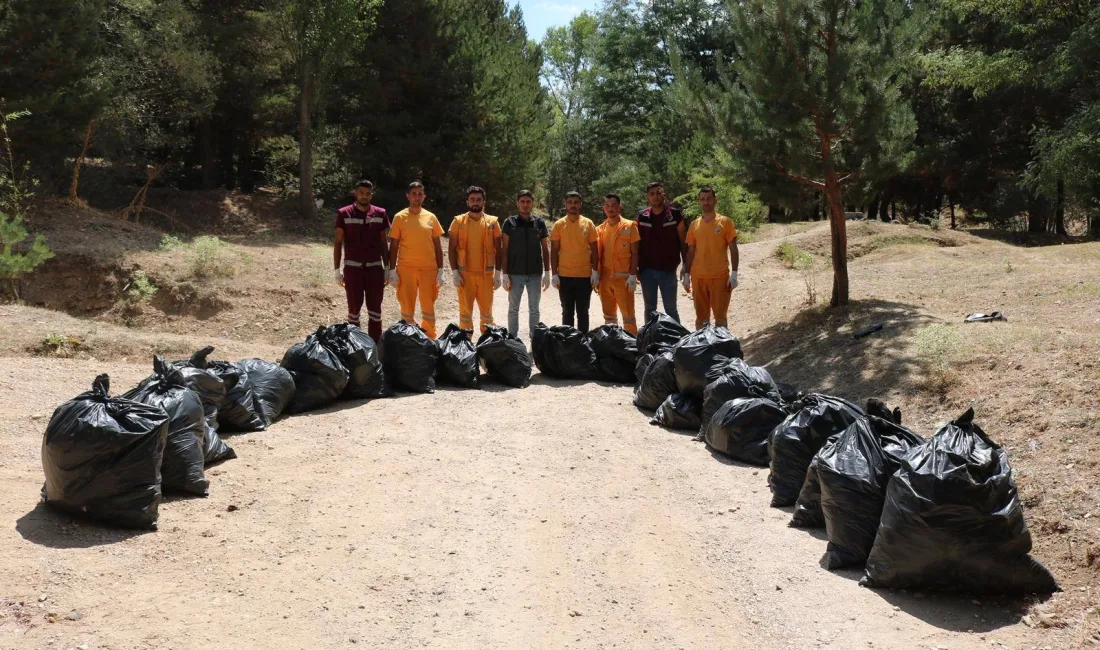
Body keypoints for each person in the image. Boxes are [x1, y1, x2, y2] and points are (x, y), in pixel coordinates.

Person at [333, 180, 391, 342]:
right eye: (361, 193)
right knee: (353, 312)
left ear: (371, 195)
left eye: (368, 193)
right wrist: (337, 270)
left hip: (374, 270)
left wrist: (388, 267)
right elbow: (338, 242)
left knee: (375, 312)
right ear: (355, 193)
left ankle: (375, 348)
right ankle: (357, 348)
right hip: (353, 270)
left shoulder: (380, 213)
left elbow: (383, 243)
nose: (364, 196)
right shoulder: (344, 213)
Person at [388, 181, 446, 339]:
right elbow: (394, 245)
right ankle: (408, 339)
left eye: (420, 194)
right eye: (414, 193)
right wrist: (391, 270)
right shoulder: (400, 217)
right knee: (407, 306)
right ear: (408, 196)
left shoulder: (431, 217)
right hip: (406, 269)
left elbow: (437, 246)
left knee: (428, 306)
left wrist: (441, 270)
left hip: (429, 270)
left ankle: (430, 338)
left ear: (424, 197)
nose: (417, 197)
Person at [682, 185, 740, 329]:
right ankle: (703, 348)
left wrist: (734, 274)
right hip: (699, 277)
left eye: (709, 199)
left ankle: (722, 348)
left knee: (720, 318)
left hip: (720, 276)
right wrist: (687, 273)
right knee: (701, 319)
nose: (706, 202)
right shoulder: (694, 224)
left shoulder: (725, 222)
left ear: (715, 201)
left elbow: (733, 248)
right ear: (699, 201)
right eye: (702, 199)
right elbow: (690, 251)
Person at [449, 186, 503, 333]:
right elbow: (451, 249)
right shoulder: (458, 222)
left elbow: (499, 250)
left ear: (484, 202)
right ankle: (465, 346)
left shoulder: (493, 222)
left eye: (479, 200)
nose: (475, 202)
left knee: (487, 314)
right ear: (467, 201)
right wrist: (454, 272)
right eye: (472, 199)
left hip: (486, 276)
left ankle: (487, 345)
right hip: (465, 276)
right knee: (465, 314)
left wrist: (498, 274)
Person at [501, 189, 551, 337]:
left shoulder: (539, 223)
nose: (525, 204)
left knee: (534, 309)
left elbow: (545, 249)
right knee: (513, 308)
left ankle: (534, 338)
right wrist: (504, 273)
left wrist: (547, 272)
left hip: (535, 274)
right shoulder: (509, 223)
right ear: (517, 203)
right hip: (514, 273)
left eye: (528, 201)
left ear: (532, 203)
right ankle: (512, 337)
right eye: (522, 201)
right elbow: (505, 250)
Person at [636, 181, 687, 324]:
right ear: (647, 197)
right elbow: (635, 244)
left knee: (671, 309)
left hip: (668, 269)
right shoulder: (642, 217)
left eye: (658, 192)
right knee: (649, 309)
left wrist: (686, 265)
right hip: (647, 270)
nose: (656, 196)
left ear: (664, 194)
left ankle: (677, 340)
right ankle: (650, 340)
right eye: (652, 194)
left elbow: (684, 242)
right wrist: (634, 268)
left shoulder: (675, 215)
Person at [549, 191, 599, 332]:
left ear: (580, 205)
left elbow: (595, 250)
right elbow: (554, 251)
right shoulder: (559, 225)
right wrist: (554, 274)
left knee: (583, 312)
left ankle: (583, 341)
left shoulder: (588, 223)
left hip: (584, 276)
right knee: (567, 312)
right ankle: (568, 341)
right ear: (566, 205)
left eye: (576, 202)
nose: (573, 205)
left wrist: (595, 271)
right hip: (565, 276)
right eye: (570, 202)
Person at [595, 193, 640, 334]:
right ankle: (612, 344)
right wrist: (595, 273)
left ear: (619, 207)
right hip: (605, 279)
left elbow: (635, 253)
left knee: (628, 317)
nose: (610, 209)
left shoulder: (630, 226)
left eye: (614, 205)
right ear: (603, 208)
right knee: (609, 317)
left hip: (624, 279)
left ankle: (632, 346)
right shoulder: (600, 230)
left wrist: (633, 275)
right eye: (607, 206)